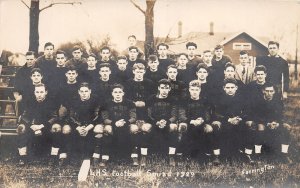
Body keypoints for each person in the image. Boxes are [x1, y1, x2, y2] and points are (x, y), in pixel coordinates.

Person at [245, 82, 292, 164]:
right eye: (267, 91)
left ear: (274, 92)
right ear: (263, 91)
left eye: (271, 91)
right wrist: (267, 123)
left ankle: (284, 155)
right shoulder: (258, 101)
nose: (269, 93)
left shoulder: (278, 102)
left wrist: (276, 123)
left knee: (287, 127)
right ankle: (257, 154)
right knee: (260, 127)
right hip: (262, 122)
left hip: (274, 122)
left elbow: (279, 115)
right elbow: (256, 116)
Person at [178, 80, 221, 165]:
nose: (194, 92)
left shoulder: (205, 101)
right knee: (185, 129)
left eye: (196, 90)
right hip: (189, 123)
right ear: (189, 90)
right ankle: (184, 156)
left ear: (200, 90)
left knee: (209, 130)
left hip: (202, 123)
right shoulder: (184, 101)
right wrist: (192, 121)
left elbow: (208, 115)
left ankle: (211, 156)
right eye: (192, 89)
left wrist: (201, 120)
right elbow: (182, 115)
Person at [16, 83, 59, 165]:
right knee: (21, 129)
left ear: (46, 92)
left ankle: (53, 157)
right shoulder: (29, 101)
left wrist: (41, 126)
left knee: (55, 129)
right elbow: (24, 116)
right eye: (37, 92)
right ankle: (22, 157)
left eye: (42, 92)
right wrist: (32, 126)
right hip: (32, 126)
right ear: (34, 92)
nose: (39, 94)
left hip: (46, 126)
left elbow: (54, 117)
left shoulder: (51, 102)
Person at [99, 84, 137, 166]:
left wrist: (125, 122)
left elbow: (133, 117)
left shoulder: (130, 103)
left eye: (120, 92)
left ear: (123, 93)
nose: (118, 94)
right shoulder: (106, 104)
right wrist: (114, 123)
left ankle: (134, 157)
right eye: (115, 92)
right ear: (112, 93)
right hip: (112, 125)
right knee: (107, 129)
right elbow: (105, 119)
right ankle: (105, 157)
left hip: (126, 124)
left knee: (134, 128)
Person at [212, 78, 246, 162]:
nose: (230, 90)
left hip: (238, 121)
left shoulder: (241, 98)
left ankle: (242, 153)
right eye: (227, 88)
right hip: (224, 121)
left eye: (232, 87)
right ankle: (219, 155)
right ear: (224, 88)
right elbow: (216, 113)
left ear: (236, 88)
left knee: (245, 128)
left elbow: (246, 111)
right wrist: (228, 119)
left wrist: (239, 118)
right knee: (223, 128)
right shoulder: (219, 98)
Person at [147, 79, 178, 166]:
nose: (164, 90)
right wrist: (156, 122)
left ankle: (171, 156)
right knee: (146, 128)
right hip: (154, 122)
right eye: (162, 88)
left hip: (167, 122)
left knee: (174, 128)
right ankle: (145, 156)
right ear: (158, 88)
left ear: (169, 89)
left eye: (166, 88)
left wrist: (167, 122)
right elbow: (148, 114)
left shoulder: (173, 99)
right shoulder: (151, 98)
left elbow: (174, 115)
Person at [69, 82, 101, 160]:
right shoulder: (74, 101)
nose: (84, 93)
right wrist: (78, 127)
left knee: (98, 130)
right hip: (79, 125)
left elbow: (97, 116)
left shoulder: (96, 100)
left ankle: (96, 154)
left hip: (91, 125)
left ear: (90, 91)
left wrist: (87, 128)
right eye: (82, 91)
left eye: (86, 91)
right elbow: (71, 116)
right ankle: (67, 155)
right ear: (79, 92)